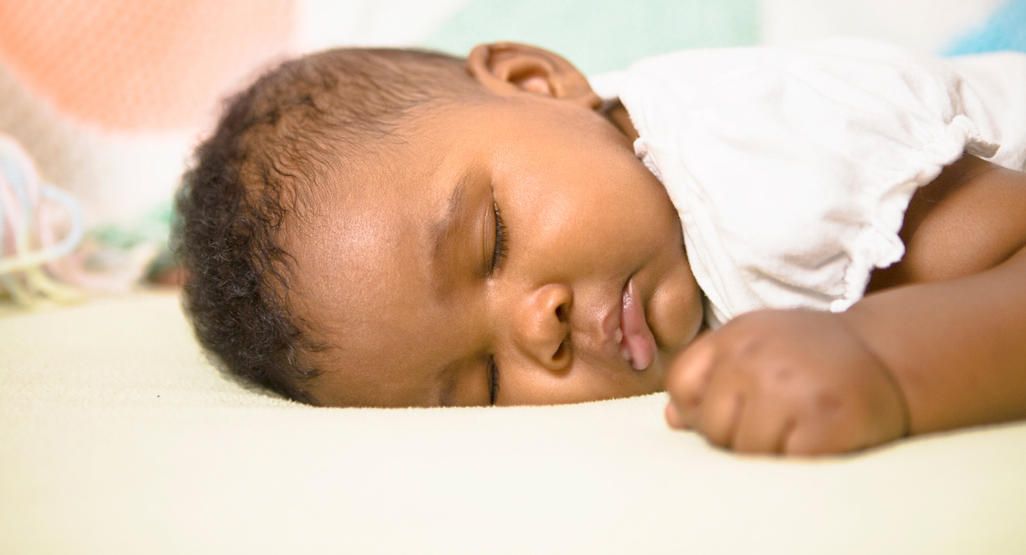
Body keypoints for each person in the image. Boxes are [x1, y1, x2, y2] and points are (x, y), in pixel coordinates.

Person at [175, 39, 1026, 455]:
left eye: (492, 240)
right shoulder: (606, 169)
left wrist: (882, 364)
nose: (537, 327)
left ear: (535, 82)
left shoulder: (758, 168)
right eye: (485, 382)